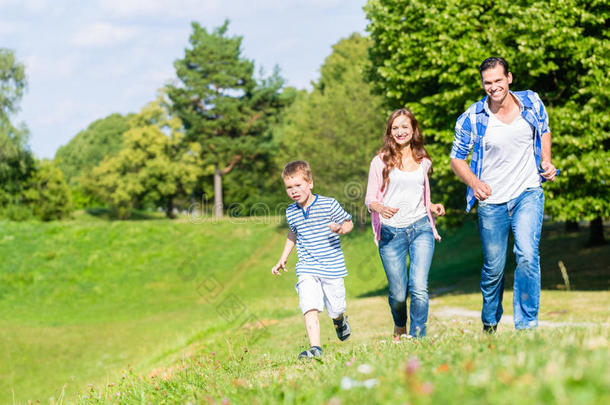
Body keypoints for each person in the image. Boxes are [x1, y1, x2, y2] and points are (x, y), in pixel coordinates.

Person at [450, 57, 558, 332]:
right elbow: (456, 159)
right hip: (491, 201)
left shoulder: (531, 102)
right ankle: (489, 322)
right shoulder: (472, 118)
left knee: (526, 254)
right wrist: (474, 183)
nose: (494, 87)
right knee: (494, 268)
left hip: (528, 192)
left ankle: (527, 325)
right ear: (483, 84)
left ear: (509, 78)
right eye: (488, 82)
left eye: (498, 80)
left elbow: (543, 131)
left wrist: (546, 161)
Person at [365, 109, 445, 339]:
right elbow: (370, 199)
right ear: (390, 132)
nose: (400, 132)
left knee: (419, 286)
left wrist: (432, 206)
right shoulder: (380, 162)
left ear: (413, 129)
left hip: (421, 228)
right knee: (398, 294)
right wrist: (379, 208)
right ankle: (400, 325)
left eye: (404, 127)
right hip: (391, 234)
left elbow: (420, 195)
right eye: (395, 128)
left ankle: (418, 336)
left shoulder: (424, 161)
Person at [272, 160, 353, 359]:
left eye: (298, 185)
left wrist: (340, 228)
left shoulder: (328, 203)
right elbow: (293, 234)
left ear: (310, 183)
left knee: (337, 307)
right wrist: (283, 258)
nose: (294, 191)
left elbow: (348, 222)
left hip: (332, 266)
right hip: (307, 267)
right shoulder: (291, 211)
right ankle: (315, 348)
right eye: (289, 187)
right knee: (309, 306)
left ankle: (339, 320)